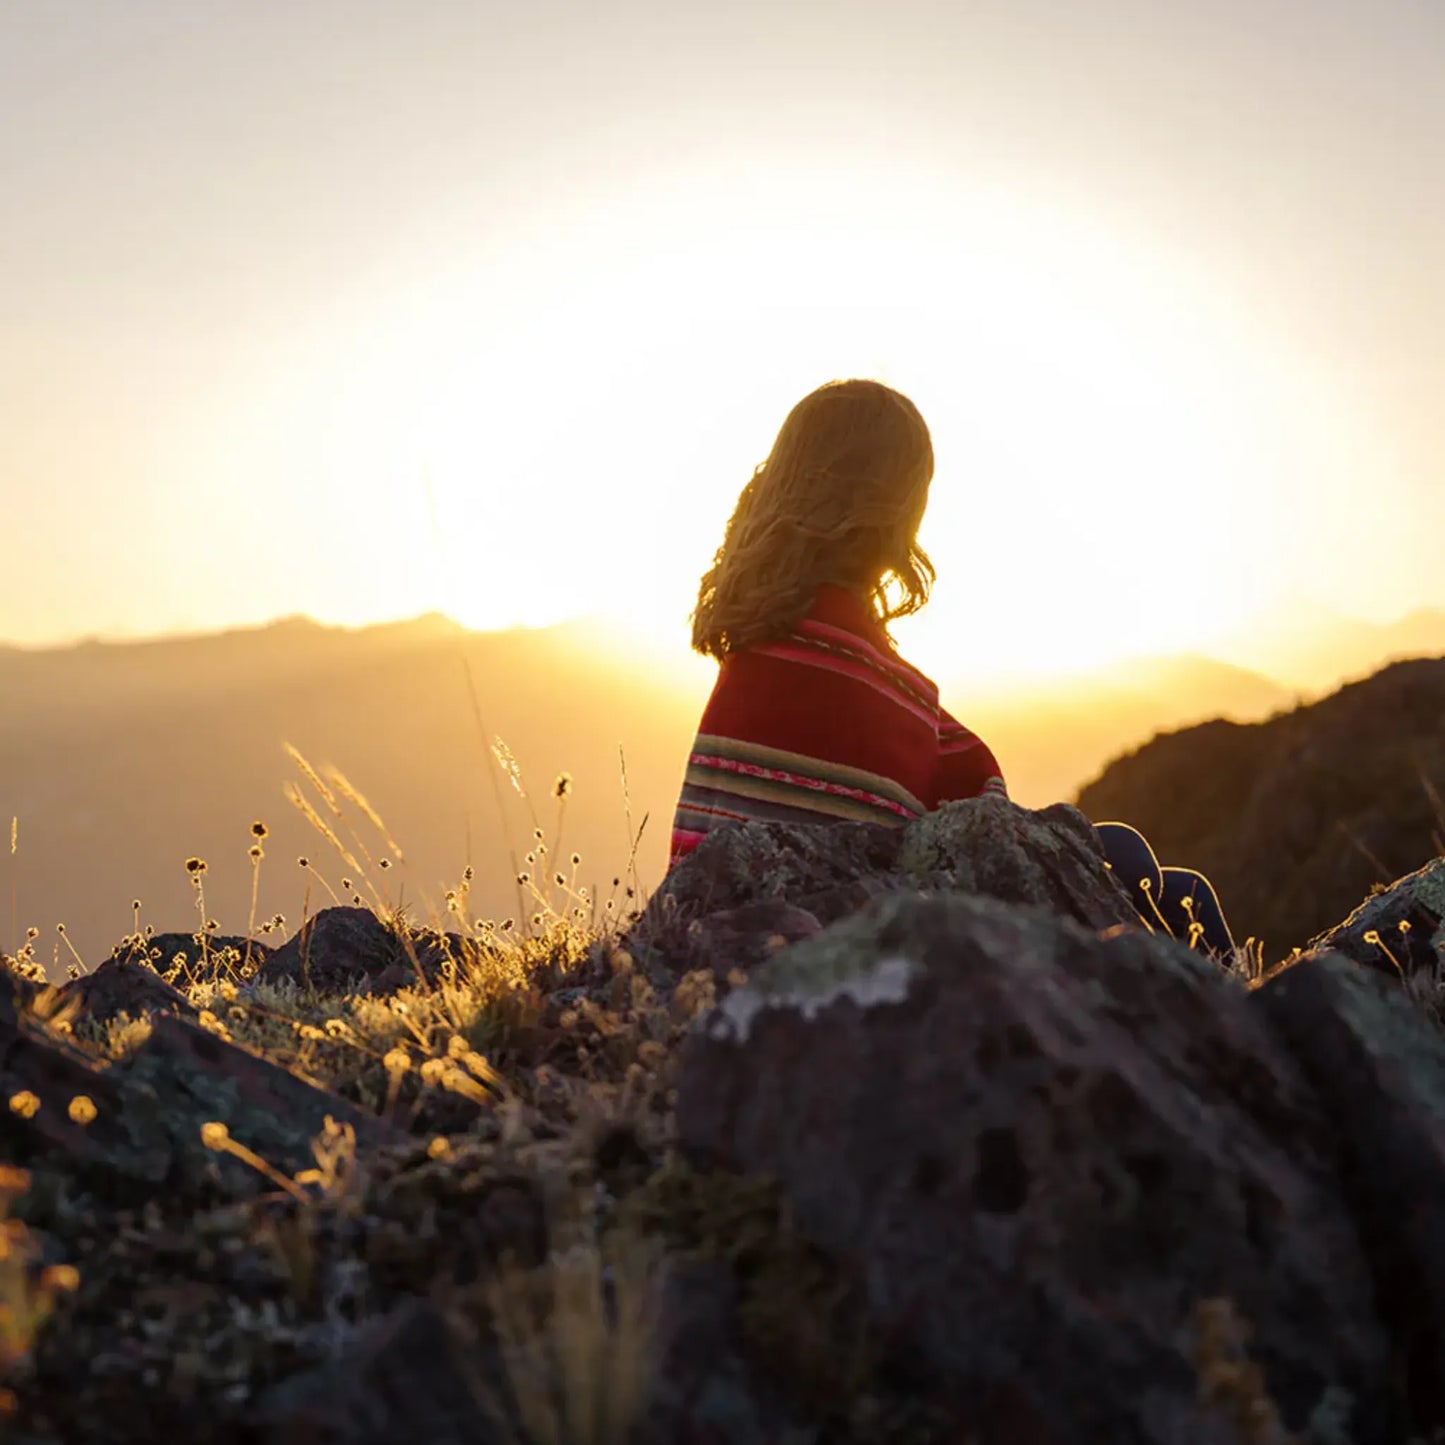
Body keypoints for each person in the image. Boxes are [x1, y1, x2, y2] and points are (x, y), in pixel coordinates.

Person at [668, 377, 1235, 959]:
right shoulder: (886, 689)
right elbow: (975, 813)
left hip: (705, 947)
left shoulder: (753, 649)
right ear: (898, 513)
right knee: (1155, 875)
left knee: (1133, 862)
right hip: (845, 958)